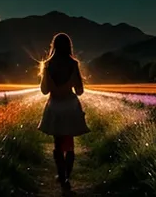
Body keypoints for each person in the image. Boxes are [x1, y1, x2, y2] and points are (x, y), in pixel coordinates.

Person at [37, 32, 90, 192]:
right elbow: (80, 91)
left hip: (54, 106)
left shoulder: (47, 65)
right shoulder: (73, 64)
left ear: (53, 46)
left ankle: (61, 175)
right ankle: (67, 175)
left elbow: (44, 90)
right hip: (71, 106)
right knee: (70, 143)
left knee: (58, 143)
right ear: (69, 46)